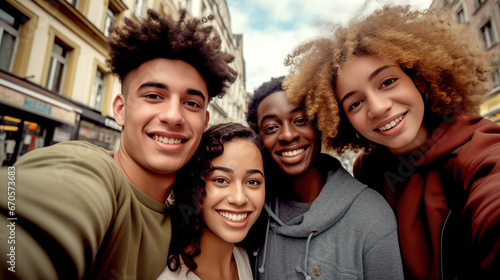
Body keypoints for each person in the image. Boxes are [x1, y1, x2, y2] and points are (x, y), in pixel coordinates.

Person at [0, 8, 237, 280]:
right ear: (121, 110)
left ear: (205, 122)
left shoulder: (182, 219)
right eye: (153, 95)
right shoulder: (87, 169)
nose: (173, 116)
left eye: (191, 103)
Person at [284, 4, 500, 280]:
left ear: (418, 80)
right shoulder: (368, 171)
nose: (377, 107)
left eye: (387, 82)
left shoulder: (479, 149)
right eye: (356, 103)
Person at [245, 76, 404, 279]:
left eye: (301, 120)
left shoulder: (372, 217)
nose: (287, 135)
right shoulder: (252, 212)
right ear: (259, 139)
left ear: (321, 126)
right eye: (270, 128)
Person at [157, 122, 265, 280]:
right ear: (193, 185)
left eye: (253, 182)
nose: (239, 198)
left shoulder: (243, 257)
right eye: (221, 180)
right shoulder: (166, 275)